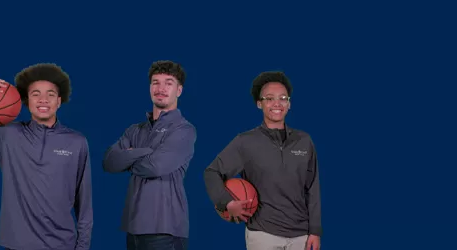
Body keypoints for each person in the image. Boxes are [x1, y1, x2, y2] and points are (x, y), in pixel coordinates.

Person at [0, 63, 93, 250]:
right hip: (16, 245)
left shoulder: (77, 142)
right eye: (35, 94)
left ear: (59, 101)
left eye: (50, 94)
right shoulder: (7, 134)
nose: (43, 100)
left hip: (62, 245)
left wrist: (83, 247)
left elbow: (84, 202)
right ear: (26, 101)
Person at [203, 71, 322, 250]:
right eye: (269, 98)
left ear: (289, 104)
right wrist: (227, 202)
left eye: (283, 98)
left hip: (301, 236)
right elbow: (211, 172)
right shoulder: (245, 141)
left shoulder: (304, 140)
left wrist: (315, 231)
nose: (277, 103)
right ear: (259, 104)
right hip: (263, 235)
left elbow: (312, 188)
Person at [102, 60, 196, 250]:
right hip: (133, 227)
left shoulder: (184, 129)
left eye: (168, 83)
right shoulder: (135, 130)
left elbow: (155, 167)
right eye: (155, 82)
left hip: (165, 230)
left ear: (179, 90)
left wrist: (128, 157)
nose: (161, 88)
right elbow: (110, 162)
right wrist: (147, 152)